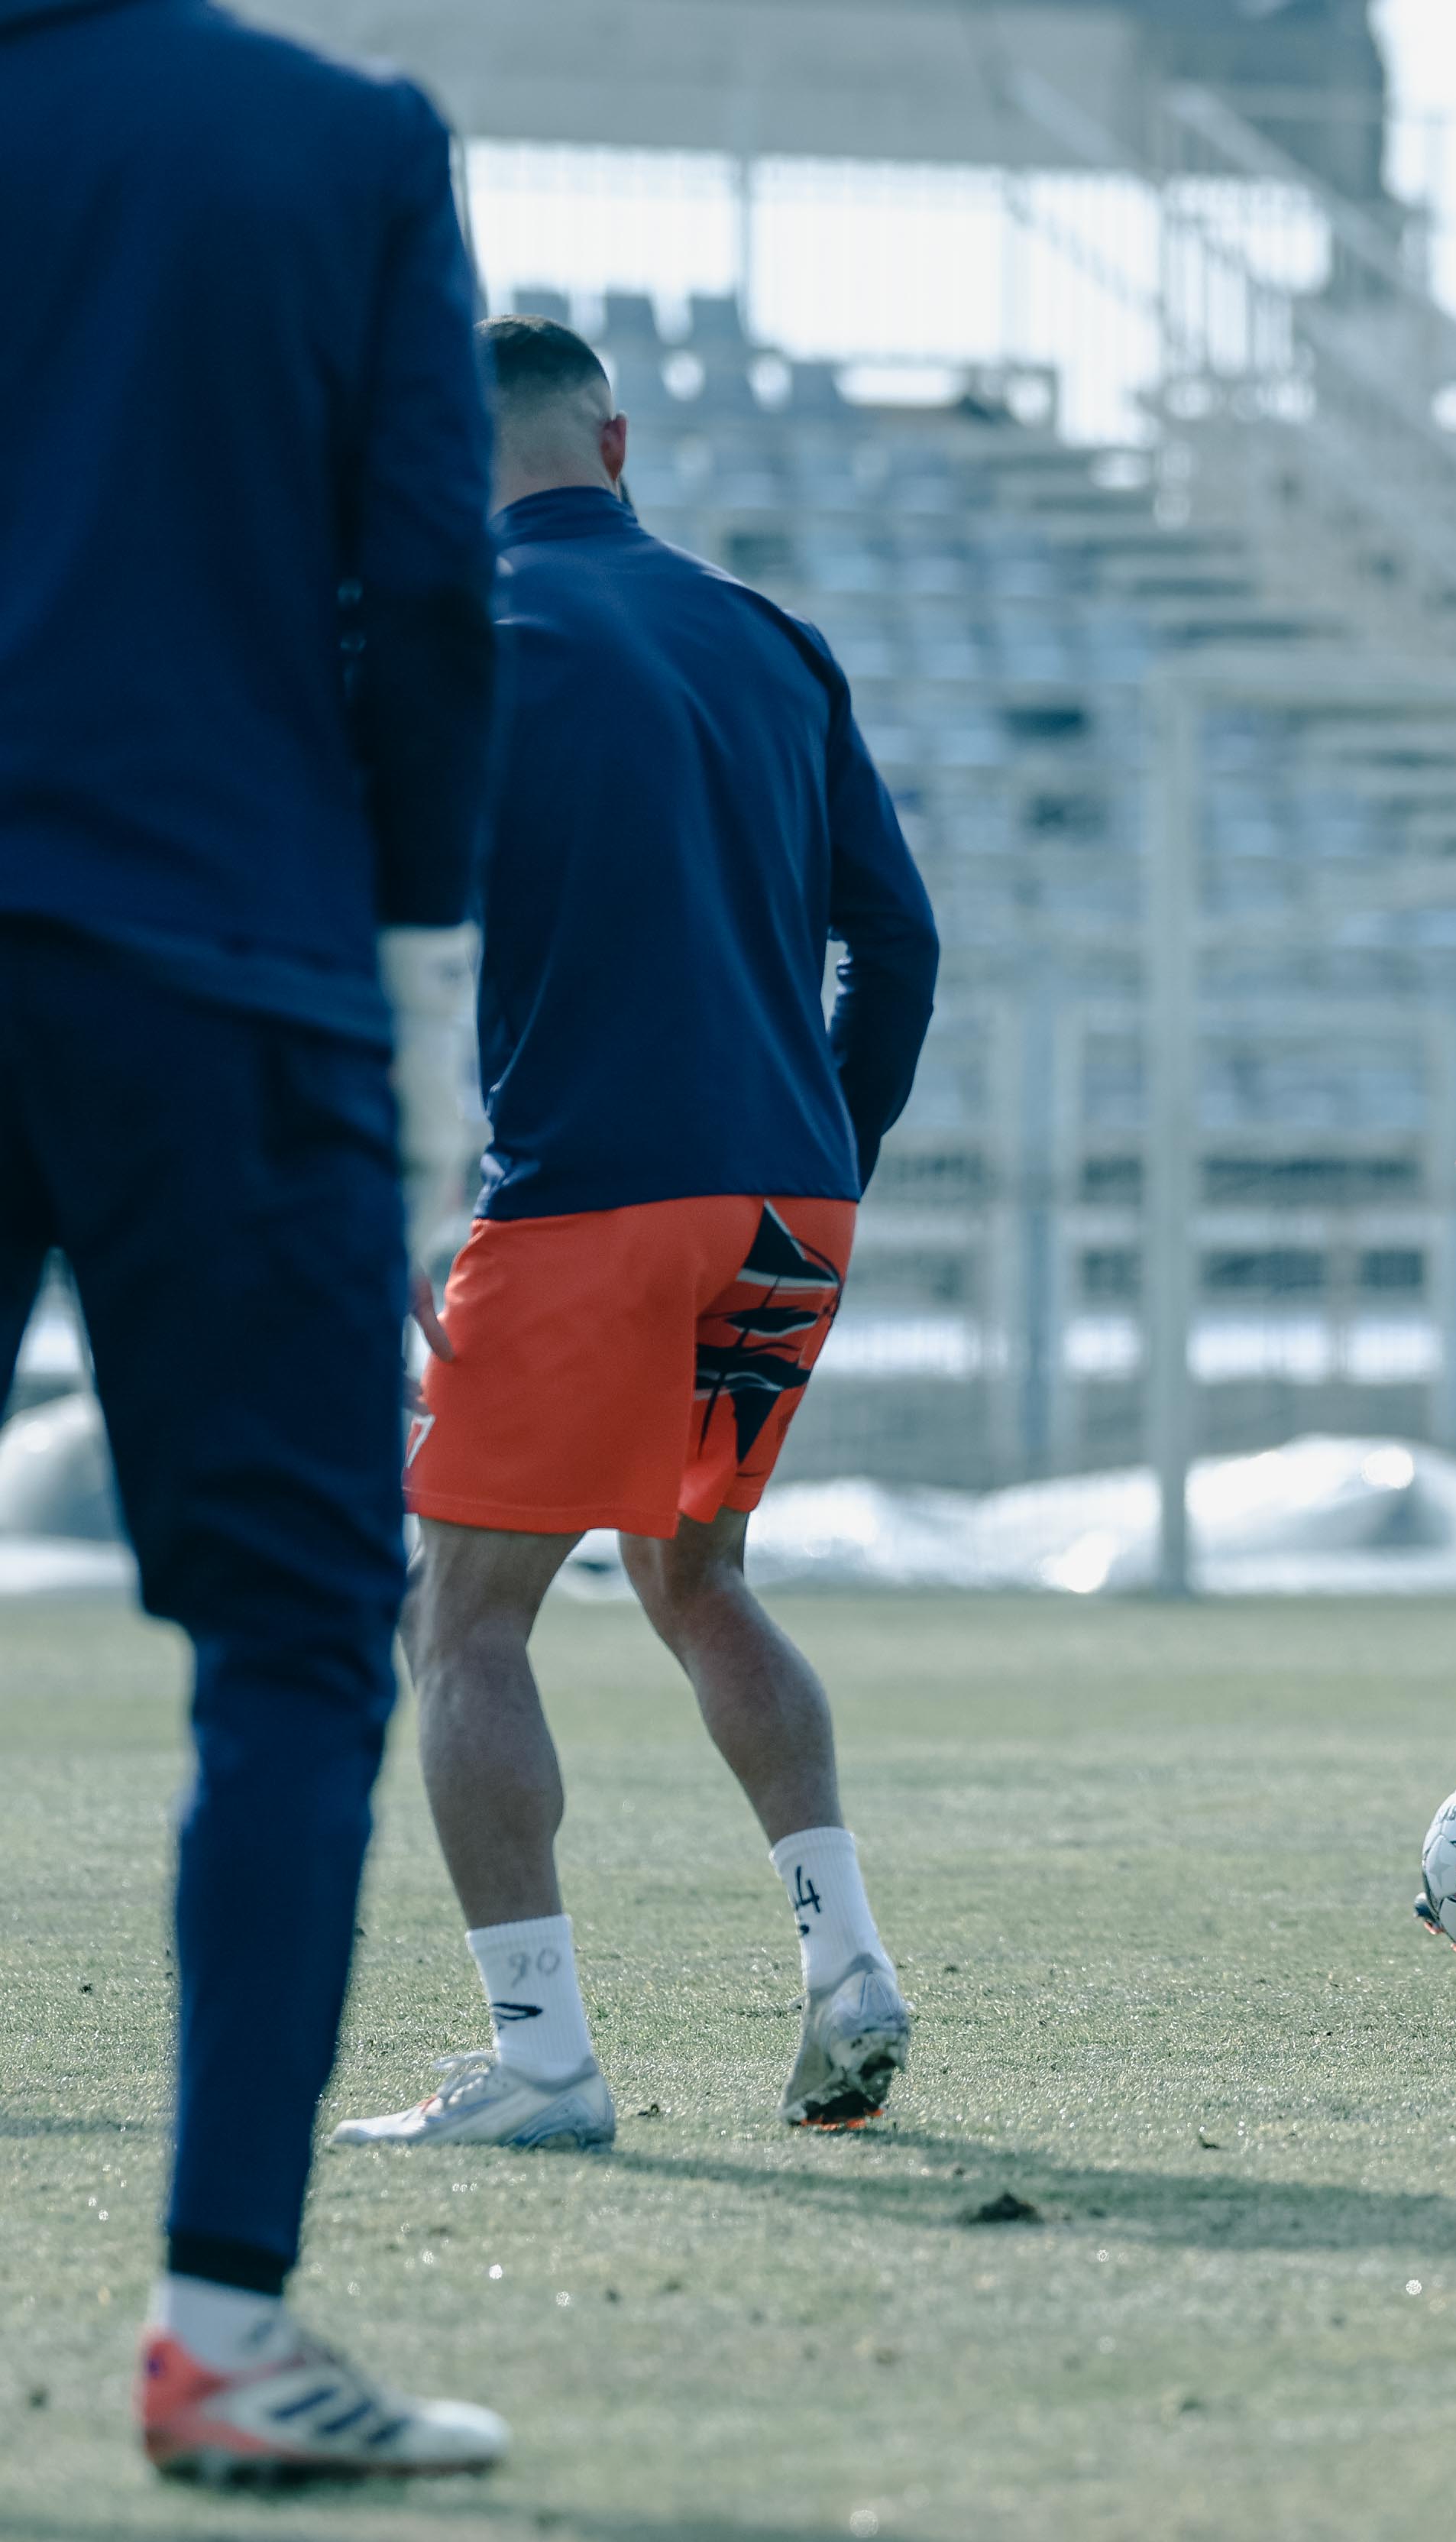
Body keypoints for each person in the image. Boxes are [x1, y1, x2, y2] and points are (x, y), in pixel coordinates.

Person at [0, 0, 508, 2482]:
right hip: (219, 944)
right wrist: (409, 961)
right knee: (299, 1642)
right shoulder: (336, 141)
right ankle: (219, 2322)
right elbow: (428, 589)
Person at [331, 316, 940, 2152]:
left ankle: (542, 2060)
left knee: (462, 1614)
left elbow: (353, 928)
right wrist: (826, 1154)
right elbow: (897, 944)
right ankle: (846, 1956)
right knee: (697, 1574)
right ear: (612, 441)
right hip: (786, 1196)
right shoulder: (770, 637)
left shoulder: (450, 637)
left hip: (587, 1192)